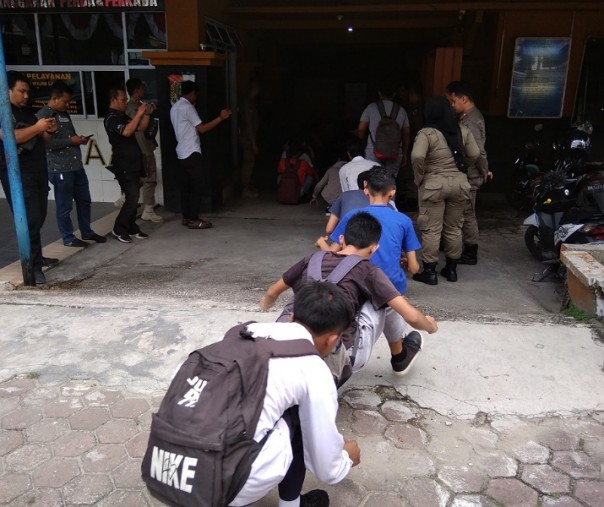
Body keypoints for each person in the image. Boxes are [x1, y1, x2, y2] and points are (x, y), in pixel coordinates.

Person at [262, 212, 438, 384]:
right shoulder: (369, 271)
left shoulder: (312, 258)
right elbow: (411, 316)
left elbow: (272, 293)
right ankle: (400, 356)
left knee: (303, 293)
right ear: (374, 248)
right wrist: (430, 326)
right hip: (338, 356)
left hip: (283, 346)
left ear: (341, 240)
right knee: (388, 299)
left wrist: (265, 305)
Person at [232, 281, 360, 507]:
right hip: (225, 482)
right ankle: (290, 504)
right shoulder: (314, 370)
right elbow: (327, 470)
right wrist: (346, 458)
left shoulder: (246, 331)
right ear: (332, 339)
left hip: (166, 464)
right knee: (301, 416)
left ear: (291, 318)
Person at [411, 96, 480, 285]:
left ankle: (430, 272)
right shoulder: (462, 131)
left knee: (432, 229)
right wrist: (463, 167)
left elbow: (417, 156)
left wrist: (419, 177)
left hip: (433, 184)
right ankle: (451, 270)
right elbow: (475, 154)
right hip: (459, 184)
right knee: (454, 227)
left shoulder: (426, 133)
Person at [0, 71, 58, 285]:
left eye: (28, 92)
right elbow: (11, 138)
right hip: (17, 174)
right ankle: (32, 267)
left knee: (39, 215)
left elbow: (43, 139)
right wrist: (38, 127)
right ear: (7, 91)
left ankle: (37, 256)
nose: (26, 96)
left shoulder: (28, 113)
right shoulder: (3, 113)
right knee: (30, 218)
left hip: (38, 171)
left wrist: (49, 129)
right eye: (21, 91)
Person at [37, 81, 106, 248]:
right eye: (65, 101)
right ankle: (67, 237)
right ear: (54, 98)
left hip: (76, 165)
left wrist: (78, 140)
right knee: (64, 205)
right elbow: (45, 143)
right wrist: (70, 141)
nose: (68, 104)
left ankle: (87, 231)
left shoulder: (64, 114)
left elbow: (69, 137)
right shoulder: (44, 116)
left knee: (85, 200)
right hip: (60, 168)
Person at [170, 80, 232, 229]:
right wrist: (220, 118)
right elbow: (202, 129)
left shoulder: (174, 107)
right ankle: (194, 219)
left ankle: (186, 217)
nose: (195, 98)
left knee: (186, 187)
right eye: (195, 95)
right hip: (192, 151)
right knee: (197, 186)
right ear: (192, 93)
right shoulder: (188, 107)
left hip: (181, 152)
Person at [446, 81, 491, 265]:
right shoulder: (468, 117)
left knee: (467, 213)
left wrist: (484, 170)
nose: (452, 104)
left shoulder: (472, 121)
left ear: (464, 99)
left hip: (470, 174)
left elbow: (477, 151)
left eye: (453, 100)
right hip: (469, 173)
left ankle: (471, 250)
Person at [104, 86, 150, 243]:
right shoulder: (111, 118)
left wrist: (146, 113)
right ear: (113, 100)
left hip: (134, 162)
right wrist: (138, 114)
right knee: (132, 197)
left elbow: (141, 127)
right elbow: (126, 132)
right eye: (123, 100)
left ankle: (131, 227)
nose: (125, 102)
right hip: (123, 164)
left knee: (134, 197)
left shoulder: (122, 115)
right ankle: (119, 228)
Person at [125, 77, 163, 223]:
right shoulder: (133, 108)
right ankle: (148, 209)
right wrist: (147, 113)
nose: (144, 91)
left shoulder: (138, 105)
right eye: (142, 88)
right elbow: (141, 127)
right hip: (143, 148)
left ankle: (126, 200)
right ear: (136, 91)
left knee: (141, 178)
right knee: (149, 179)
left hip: (143, 147)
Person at [357, 83, 410, 172]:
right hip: (395, 153)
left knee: (373, 181)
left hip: (373, 153)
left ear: (379, 94)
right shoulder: (402, 110)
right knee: (391, 181)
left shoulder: (371, 108)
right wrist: (404, 153)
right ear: (394, 94)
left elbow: (361, 129)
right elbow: (406, 133)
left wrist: (362, 141)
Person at [239, 79, 261, 198]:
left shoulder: (251, 102)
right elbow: (248, 124)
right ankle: (245, 188)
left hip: (250, 137)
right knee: (248, 162)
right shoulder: (247, 103)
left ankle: (248, 186)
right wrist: (253, 143)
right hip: (247, 138)